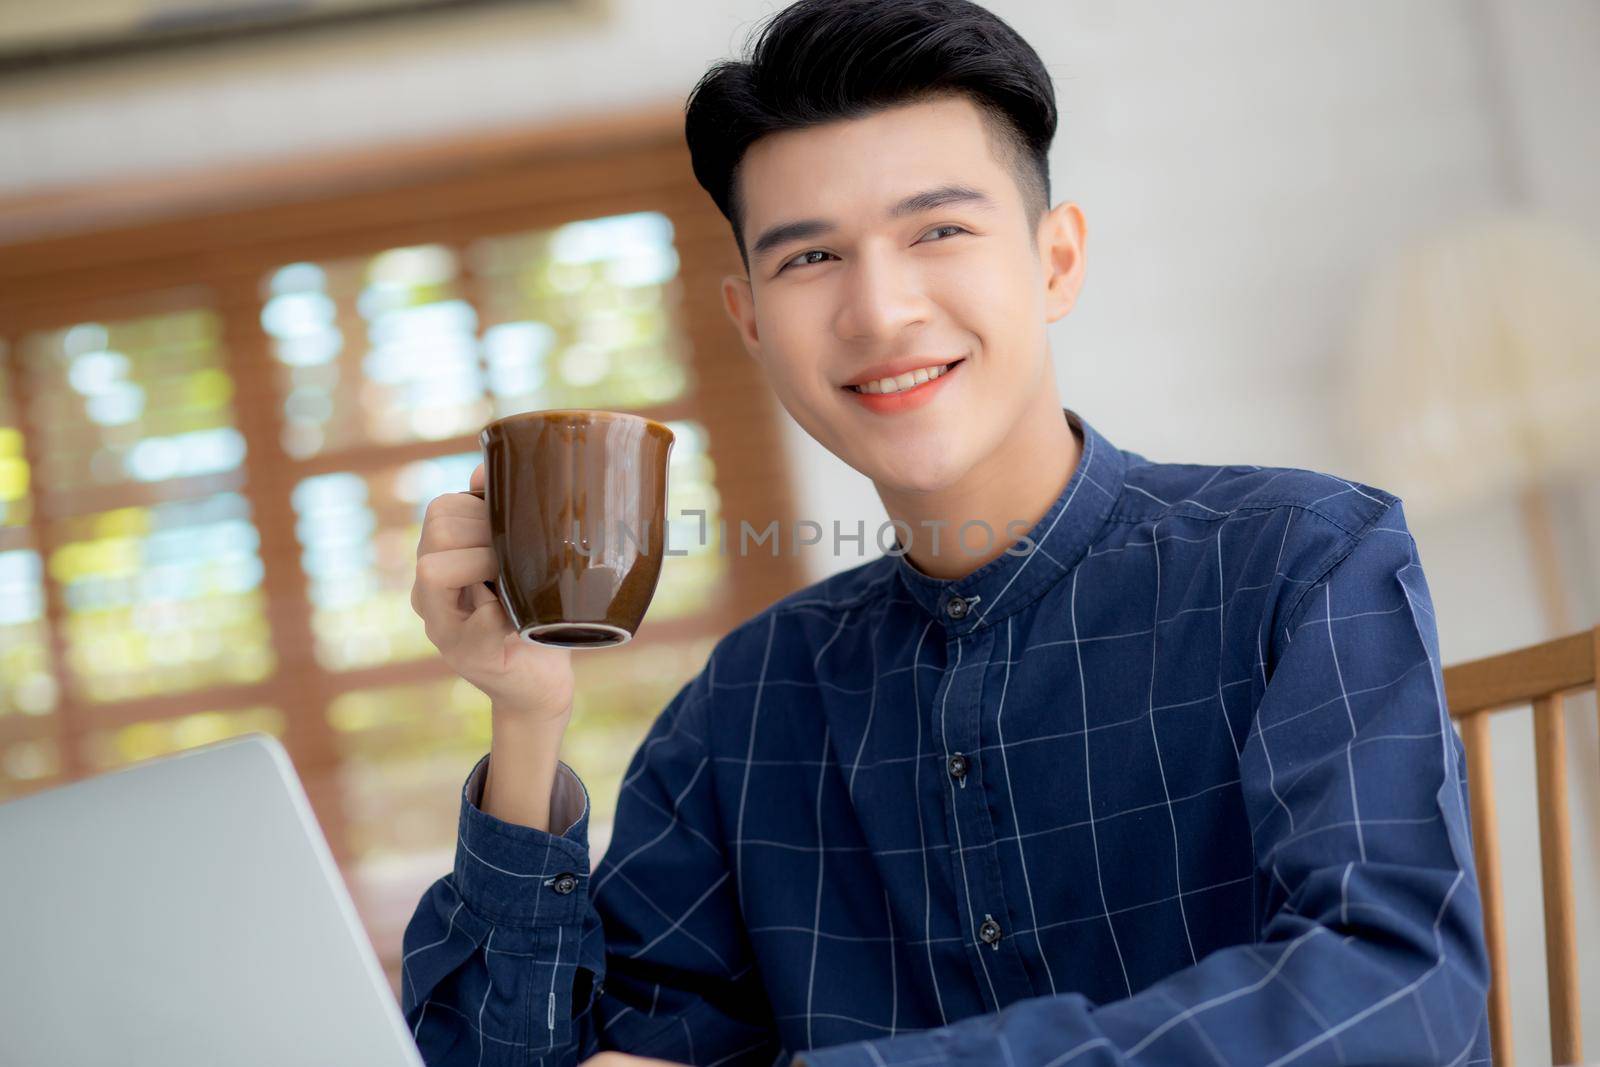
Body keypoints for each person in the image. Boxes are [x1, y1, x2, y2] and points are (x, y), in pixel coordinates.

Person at [400, 1, 1491, 1064]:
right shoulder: (743, 708)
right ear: (749, 320)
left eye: (938, 230)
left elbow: (1391, 988)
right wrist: (526, 711)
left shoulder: (1300, 561)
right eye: (810, 258)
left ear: (1054, 261)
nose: (879, 311)